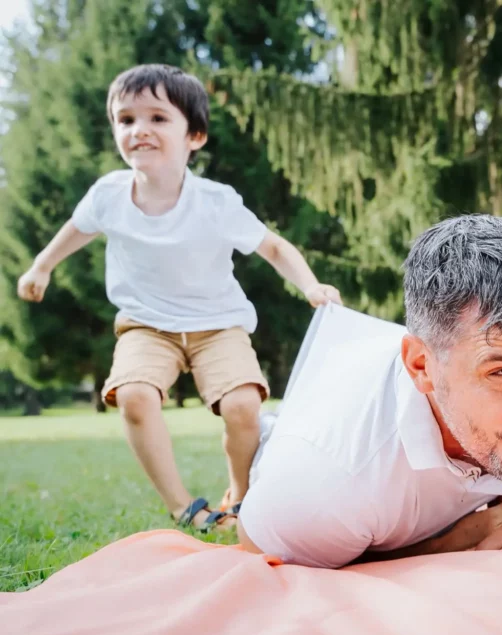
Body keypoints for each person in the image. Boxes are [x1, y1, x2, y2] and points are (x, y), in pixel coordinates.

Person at [15, 64, 341, 532]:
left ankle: (243, 498)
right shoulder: (108, 194)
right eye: (125, 120)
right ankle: (183, 506)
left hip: (218, 324)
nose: (139, 129)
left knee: (243, 406)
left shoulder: (216, 201)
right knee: (133, 396)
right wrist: (41, 265)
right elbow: (76, 229)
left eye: (157, 118)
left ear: (196, 136)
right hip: (146, 325)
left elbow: (272, 245)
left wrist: (310, 284)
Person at [236, 214, 502, 568]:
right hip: (306, 426)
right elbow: (258, 547)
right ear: (421, 367)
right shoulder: (323, 482)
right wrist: (441, 547)